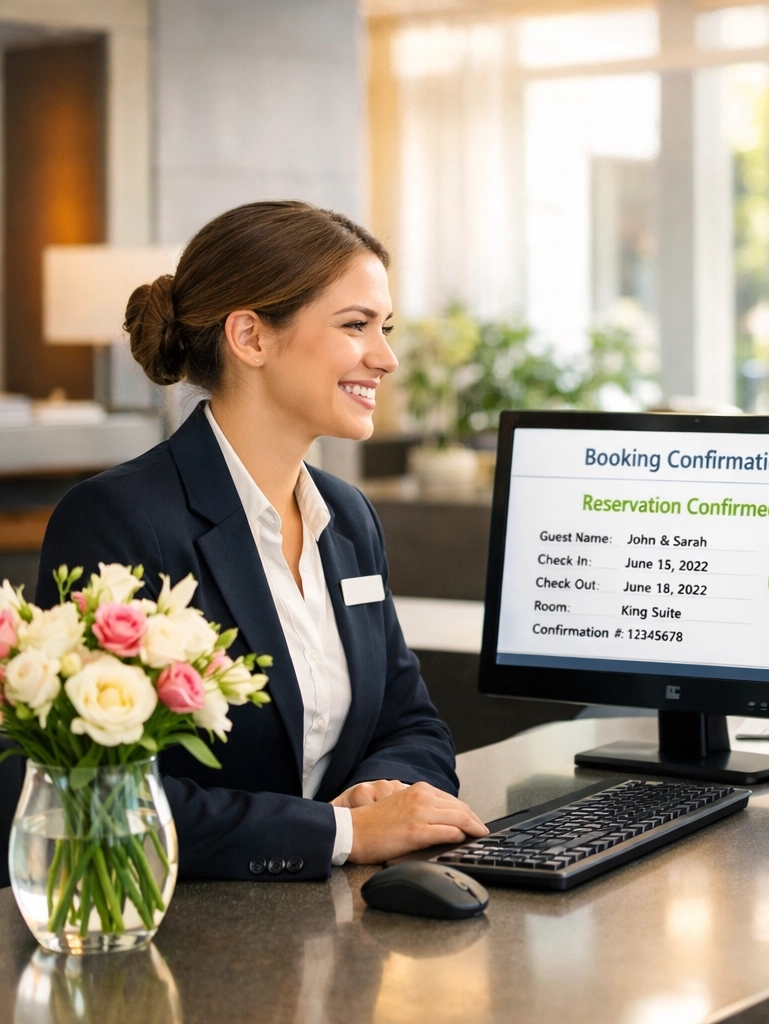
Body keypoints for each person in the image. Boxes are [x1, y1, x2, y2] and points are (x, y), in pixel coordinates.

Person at [30, 200, 489, 880]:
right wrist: (344, 832)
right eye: (356, 325)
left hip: (333, 933)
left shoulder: (348, 518)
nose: (386, 357)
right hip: (179, 940)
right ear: (250, 338)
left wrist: (383, 790)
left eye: (384, 327)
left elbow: (410, 722)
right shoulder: (117, 519)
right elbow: (99, 790)